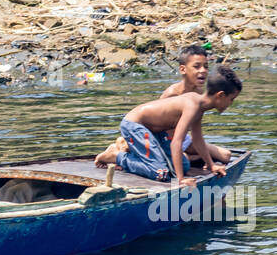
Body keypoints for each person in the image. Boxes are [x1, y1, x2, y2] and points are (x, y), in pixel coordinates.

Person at [95, 65, 242, 185]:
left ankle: (133, 153)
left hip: (154, 132)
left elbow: (197, 140)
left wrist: (211, 165)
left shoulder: (199, 106)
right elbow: (176, 143)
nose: (231, 104)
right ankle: (116, 156)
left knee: (184, 165)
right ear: (220, 95)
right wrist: (180, 179)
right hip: (135, 125)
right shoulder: (193, 106)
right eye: (231, 99)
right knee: (161, 173)